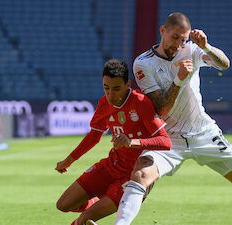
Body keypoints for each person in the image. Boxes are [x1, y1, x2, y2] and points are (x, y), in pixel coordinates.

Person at [115, 12, 232, 225]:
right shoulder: (143, 63)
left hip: (203, 132)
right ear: (162, 31)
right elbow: (162, 109)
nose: (179, 44)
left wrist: (206, 46)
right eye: (175, 37)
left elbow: (224, 64)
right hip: (169, 138)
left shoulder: (191, 50)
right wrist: (179, 79)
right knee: (140, 173)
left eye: (183, 39)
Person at [55, 59, 171, 225]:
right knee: (63, 205)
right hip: (111, 166)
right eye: (106, 88)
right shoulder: (104, 104)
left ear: (127, 84)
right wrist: (69, 160)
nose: (110, 95)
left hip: (133, 176)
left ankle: (87, 216)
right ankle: (94, 206)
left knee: (84, 220)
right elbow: (94, 136)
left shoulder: (140, 102)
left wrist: (132, 142)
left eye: (116, 89)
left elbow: (165, 142)